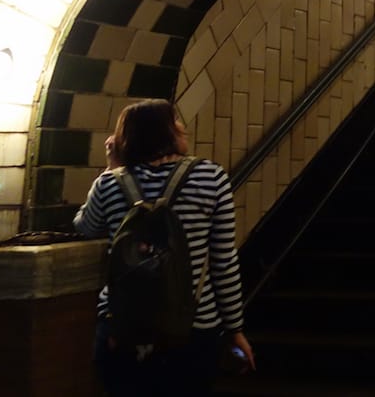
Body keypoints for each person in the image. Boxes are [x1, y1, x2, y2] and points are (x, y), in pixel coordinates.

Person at [74, 99, 255, 396]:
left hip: (122, 328)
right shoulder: (211, 177)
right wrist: (234, 329)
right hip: (194, 328)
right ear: (164, 132)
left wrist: (111, 168)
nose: (183, 128)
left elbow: (85, 226)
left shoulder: (109, 183)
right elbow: (224, 263)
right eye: (176, 123)